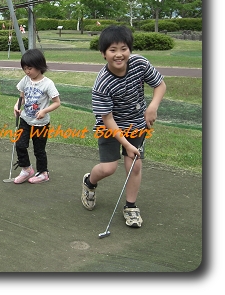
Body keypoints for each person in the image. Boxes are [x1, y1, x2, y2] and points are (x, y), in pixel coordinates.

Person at [81, 25, 166, 228]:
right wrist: (126, 144)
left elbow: (160, 85)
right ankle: (89, 182)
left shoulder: (139, 63)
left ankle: (130, 206)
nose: (119, 54)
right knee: (109, 168)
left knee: (134, 165)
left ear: (130, 49)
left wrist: (152, 107)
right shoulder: (102, 84)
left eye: (123, 48)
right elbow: (108, 119)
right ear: (103, 54)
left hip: (136, 122)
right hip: (110, 128)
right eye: (112, 50)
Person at [13, 49, 60, 184]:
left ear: (40, 66)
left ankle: (43, 173)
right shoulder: (25, 80)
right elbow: (21, 97)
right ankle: (26, 169)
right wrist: (17, 106)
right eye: (24, 69)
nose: (27, 72)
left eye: (30, 68)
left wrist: (44, 111)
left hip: (41, 123)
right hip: (25, 119)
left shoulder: (48, 84)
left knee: (39, 150)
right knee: (20, 144)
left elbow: (57, 103)